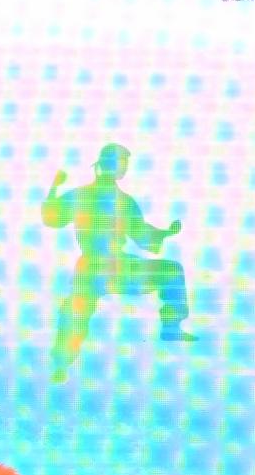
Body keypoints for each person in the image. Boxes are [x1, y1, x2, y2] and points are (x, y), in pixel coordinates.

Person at [40, 144, 191, 379]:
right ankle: (61, 361)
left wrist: (165, 233)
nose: (123, 169)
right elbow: (52, 217)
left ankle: (61, 362)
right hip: (103, 267)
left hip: (106, 267)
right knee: (76, 309)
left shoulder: (106, 199)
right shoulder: (101, 198)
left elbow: (142, 235)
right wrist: (54, 187)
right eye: (122, 165)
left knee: (77, 310)